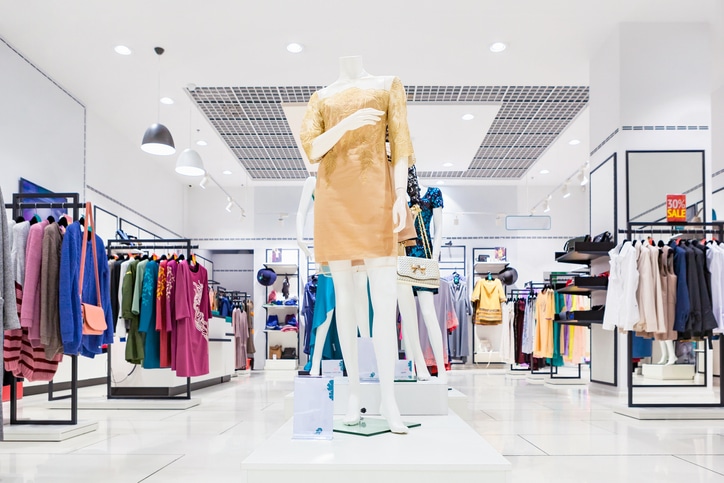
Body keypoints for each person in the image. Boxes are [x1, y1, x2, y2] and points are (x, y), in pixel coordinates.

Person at [300, 56, 414, 434]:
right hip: (334, 197)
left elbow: (401, 145)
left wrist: (401, 195)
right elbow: (311, 149)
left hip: (377, 192)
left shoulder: (387, 84)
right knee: (345, 301)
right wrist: (346, 124)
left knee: (385, 301)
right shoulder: (321, 97)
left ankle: (389, 399)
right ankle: (353, 392)